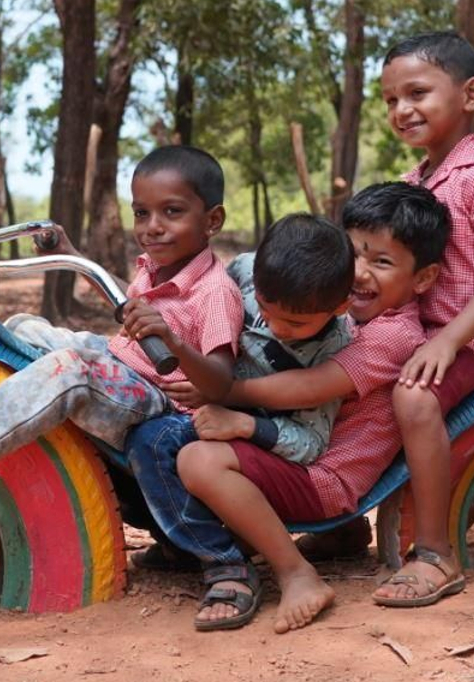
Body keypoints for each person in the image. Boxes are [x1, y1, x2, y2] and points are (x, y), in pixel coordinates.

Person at [0, 145, 242, 490]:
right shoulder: (157, 266)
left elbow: (221, 383)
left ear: (213, 221)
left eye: (171, 212)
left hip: (159, 399)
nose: (152, 228)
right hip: (124, 362)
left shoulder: (215, 291)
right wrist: (72, 253)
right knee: (21, 328)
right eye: (141, 213)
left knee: (72, 367)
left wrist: (173, 342)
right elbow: (127, 299)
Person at [146, 183, 450, 633]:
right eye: (355, 255)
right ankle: (334, 539)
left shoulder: (394, 334)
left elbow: (310, 388)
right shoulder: (338, 312)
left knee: (199, 459)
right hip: (298, 455)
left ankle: (296, 573)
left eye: (381, 262)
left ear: (423, 279)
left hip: (327, 477)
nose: (360, 273)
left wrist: (226, 394)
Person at [122, 213, 355, 618]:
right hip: (190, 399)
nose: (277, 328)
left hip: (247, 439)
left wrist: (245, 423)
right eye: (266, 310)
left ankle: (237, 564)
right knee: (116, 438)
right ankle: (179, 542)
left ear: (340, 306)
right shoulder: (244, 272)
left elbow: (310, 443)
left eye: (296, 323)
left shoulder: (334, 347)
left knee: (155, 443)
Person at [375, 31, 474, 608]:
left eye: (416, 93)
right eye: (391, 100)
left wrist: (450, 342)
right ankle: (337, 520)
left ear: (469, 95)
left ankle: (437, 554)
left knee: (415, 397)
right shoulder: (417, 182)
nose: (401, 110)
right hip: (425, 331)